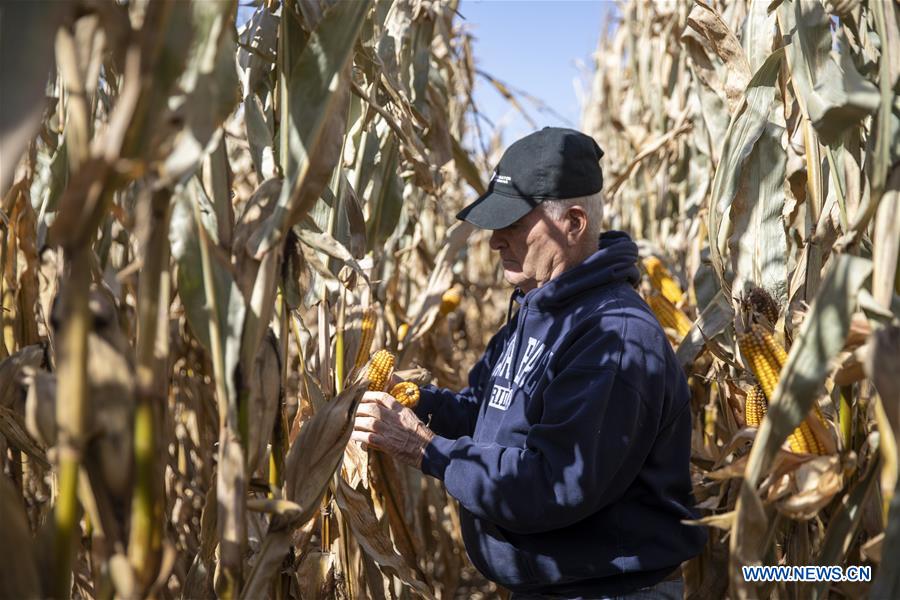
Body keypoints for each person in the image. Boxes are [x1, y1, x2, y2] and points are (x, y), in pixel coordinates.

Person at [352, 127, 707, 599]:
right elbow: (483, 413)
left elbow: (552, 483)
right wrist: (415, 400)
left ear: (574, 224)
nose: (495, 240)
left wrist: (424, 448)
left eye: (514, 223)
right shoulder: (534, 310)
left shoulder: (613, 339)